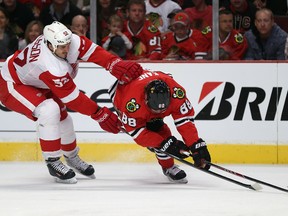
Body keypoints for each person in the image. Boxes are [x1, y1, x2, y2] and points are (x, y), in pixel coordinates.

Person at [0, 21, 143, 184]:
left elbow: (94, 52)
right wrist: (99, 114)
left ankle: (72, 157)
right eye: (62, 47)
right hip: (12, 83)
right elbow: (73, 99)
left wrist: (114, 63)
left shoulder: (70, 41)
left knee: (64, 119)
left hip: (37, 81)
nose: (67, 49)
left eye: (68, 44)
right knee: (50, 111)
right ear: (50, 45)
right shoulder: (49, 65)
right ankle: (53, 162)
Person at [109, 70, 211, 183]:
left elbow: (185, 120)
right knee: (159, 133)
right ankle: (168, 167)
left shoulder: (176, 93)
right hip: (121, 91)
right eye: (155, 109)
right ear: (146, 99)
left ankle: (164, 153)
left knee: (164, 139)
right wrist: (163, 144)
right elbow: (138, 134)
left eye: (162, 109)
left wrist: (196, 145)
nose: (159, 112)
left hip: (155, 78)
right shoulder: (131, 105)